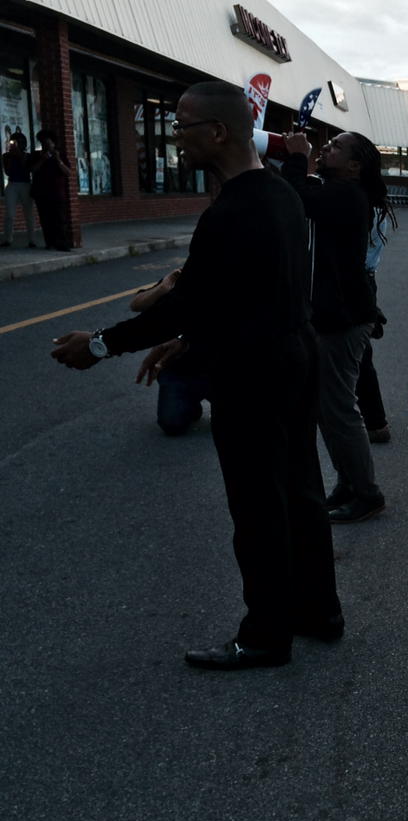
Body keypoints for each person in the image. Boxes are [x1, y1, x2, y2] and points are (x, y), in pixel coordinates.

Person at [50, 81, 341, 670]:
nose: (172, 137)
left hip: (253, 377)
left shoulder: (231, 211)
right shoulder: (282, 196)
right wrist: (186, 340)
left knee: (258, 509)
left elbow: (189, 302)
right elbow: (241, 296)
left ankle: (265, 635)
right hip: (293, 360)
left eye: (181, 126)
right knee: (301, 492)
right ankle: (318, 612)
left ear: (217, 132)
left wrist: (101, 344)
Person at [281, 129, 386, 523]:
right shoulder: (338, 191)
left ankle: (366, 492)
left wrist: (296, 157)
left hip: (342, 321)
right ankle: (347, 481)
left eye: (336, 147)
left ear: (355, 166)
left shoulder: (345, 194)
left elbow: (296, 197)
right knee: (329, 409)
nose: (325, 147)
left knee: (339, 409)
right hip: (335, 317)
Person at [127, 269, 213, 436]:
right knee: (172, 423)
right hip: (179, 371)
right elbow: (136, 304)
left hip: (217, 368)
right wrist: (162, 289)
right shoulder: (182, 277)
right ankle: (190, 402)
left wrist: (185, 338)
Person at [358, 206, 397, 444]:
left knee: (359, 355)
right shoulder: (373, 204)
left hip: (356, 280)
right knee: (359, 355)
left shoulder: (361, 205)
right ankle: (373, 419)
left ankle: (374, 420)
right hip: (364, 278)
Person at [29, 129, 70, 251]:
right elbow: (32, 170)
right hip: (41, 193)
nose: (46, 146)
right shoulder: (37, 155)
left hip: (57, 192)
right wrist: (42, 159)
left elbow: (68, 172)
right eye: (43, 144)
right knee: (45, 220)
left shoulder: (60, 155)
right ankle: (50, 242)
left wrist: (58, 160)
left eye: (48, 144)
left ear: (53, 143)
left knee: (60, 218)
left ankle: (62, 243)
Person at [2, 131, 37, 248]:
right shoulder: (6, 156)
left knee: (29, 214)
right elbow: (7, 171)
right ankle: (8, 239)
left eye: (17, 142)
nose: (15, 145)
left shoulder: (27, 155)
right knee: (10, 214)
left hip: (25, 184)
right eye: (13, 142)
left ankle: (32, 240)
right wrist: (12, 155)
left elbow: (28, 169)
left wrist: (19, 155)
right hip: (12, 184)